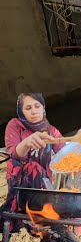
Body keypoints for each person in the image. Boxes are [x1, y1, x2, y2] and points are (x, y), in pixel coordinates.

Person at [0, 93, 72, 233]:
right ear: (21, 112)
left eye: (37, 106)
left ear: (43, 108)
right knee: (34, 167)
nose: (34, 111)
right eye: (28, 108)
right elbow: (13, 154)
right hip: (21, 183)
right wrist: (26, 142)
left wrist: (77, 144)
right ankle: (36, 219)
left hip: (43, 185)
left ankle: (42, 220)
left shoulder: (51, 131)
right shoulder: (15, 125)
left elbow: (66, 155)